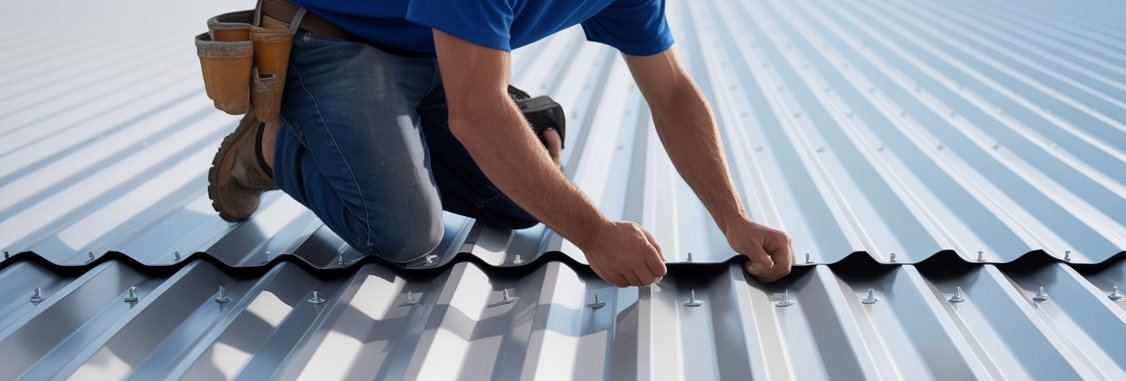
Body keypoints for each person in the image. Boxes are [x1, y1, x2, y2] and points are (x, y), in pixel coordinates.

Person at [208, 0, 793, 287]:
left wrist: (733, 218)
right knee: (406, 233)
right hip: (337, 38)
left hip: (438, 47)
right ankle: (273, 148)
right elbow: (476, 114)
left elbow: (671, 93)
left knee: (522, 201)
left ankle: (472, 119)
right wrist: (594, 234)